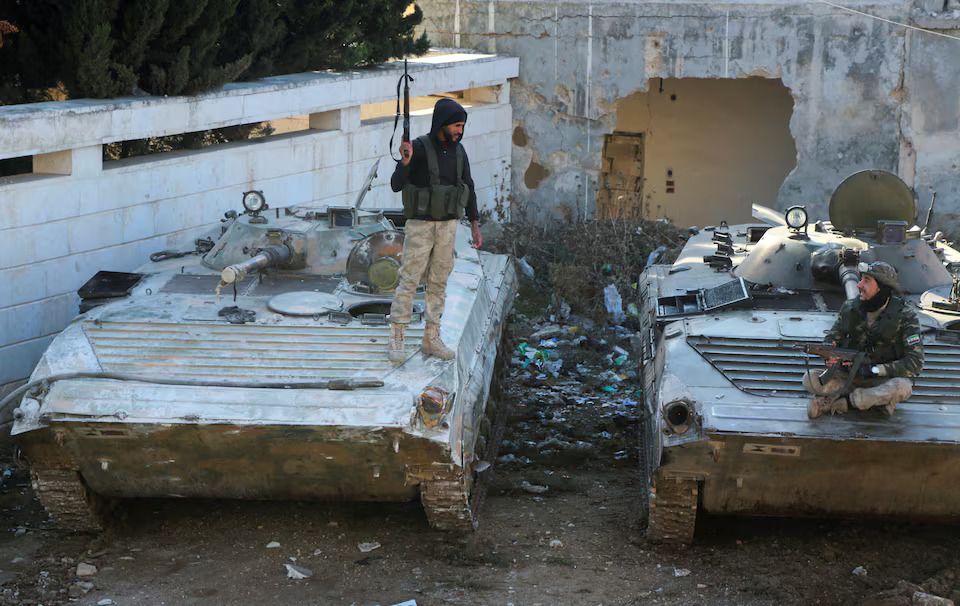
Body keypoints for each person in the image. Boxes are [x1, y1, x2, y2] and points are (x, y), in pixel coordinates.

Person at [387, 97, 482, 365]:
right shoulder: (418, 147)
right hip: (421, 225)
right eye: (456, 125)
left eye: (462, 126)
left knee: (439, 281)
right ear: (442, 123)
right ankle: (397, 336)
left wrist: (475, 224)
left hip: (448, 226)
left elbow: (468, 186)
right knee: (409, 280)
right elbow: (395, 184)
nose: (460, 131)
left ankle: (432, 336)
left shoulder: (459, 152)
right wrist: (405, 162)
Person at [804, 261, 924, 418]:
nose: (859, 285)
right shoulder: (851, 308)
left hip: (880, 380)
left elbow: (915, 362)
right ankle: (873, 403)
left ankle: (846, 402)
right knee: (810, 379)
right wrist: (830, 353)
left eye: (866, 280)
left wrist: (875, 369)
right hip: (850, 376)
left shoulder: (905, 316)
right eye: (860, 279)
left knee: (902, 387)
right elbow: (833, 335)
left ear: (882, 287)